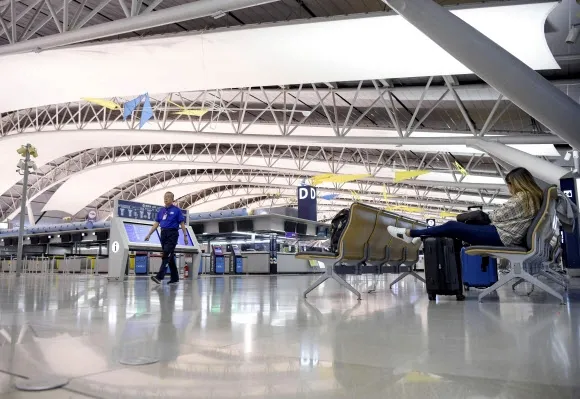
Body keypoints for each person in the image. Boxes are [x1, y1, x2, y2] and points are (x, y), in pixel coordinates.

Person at [388, 167, 543, 247]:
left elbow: (495, 217)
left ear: (516, 183)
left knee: (452, 226)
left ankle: (411, 233)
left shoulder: (523, 197)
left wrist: (479, 215)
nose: (509, 189)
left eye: (509, 185)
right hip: (505, 234)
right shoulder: (532, 197)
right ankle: (422, 236)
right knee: (457, 226)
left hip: (502, 236)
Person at [145, 192, 188, 285]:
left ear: (173, 199)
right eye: (165, 197)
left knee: (166, 255)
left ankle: (159, 277)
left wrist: (185, 236)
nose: (166, 199)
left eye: (168, 197)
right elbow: (156, 223)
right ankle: (175, 277)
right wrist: (149, 234)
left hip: (172, 234)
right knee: (170, 256)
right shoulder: (161, 211)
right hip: (163, 233)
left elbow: (182, 224)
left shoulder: (177, 210)